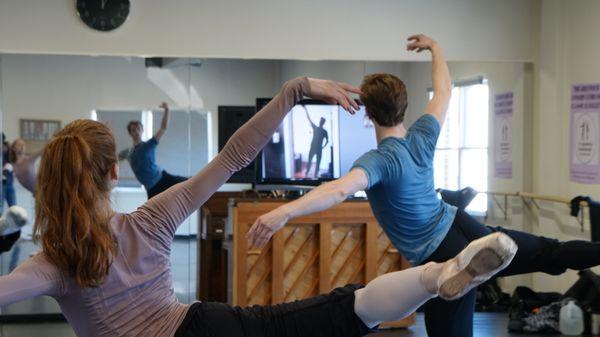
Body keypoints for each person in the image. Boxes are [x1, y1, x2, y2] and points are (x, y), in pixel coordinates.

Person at [0, 76, 517, 337]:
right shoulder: (153, 219)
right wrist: (294, 92)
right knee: (337, 311)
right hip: (203, 329)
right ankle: (435, 276)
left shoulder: (54, 265)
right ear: (116, 172)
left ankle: (438, 275)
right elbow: (233, 157)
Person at [247, 34, 600, 337]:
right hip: (467, 227)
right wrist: (435, 47)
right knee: (551, 252)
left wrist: (282, 212)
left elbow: (338, 190)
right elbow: (444, 90)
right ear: (405, 106)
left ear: (368, 114)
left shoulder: (378, 161)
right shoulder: (423, 136)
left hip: (445, 258)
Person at [119, 102, 187, 199]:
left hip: (163, 179)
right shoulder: (128, 153)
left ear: (142, 130)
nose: (136, 131)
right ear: (130, 133)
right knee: (154, 214)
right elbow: (112, 159)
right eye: (133, 130)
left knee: (190, 183)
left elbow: (163, 128)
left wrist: (167, 110)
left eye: (138, 128)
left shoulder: (149, 144)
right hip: (151, 189)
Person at [302, 105, 329, 178]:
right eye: (320, 121)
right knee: (310, 161)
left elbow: (327, 140)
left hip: (318, 149)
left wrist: (323, 147)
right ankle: (307, 173)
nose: (320, 122)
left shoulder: (324, 131)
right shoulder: (316, 128)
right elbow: (309, 119)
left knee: (317, 163)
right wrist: (305, 110)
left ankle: (315, 175)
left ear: (323, 123)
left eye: (322, 121)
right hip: (314, 148)